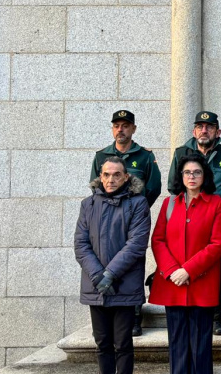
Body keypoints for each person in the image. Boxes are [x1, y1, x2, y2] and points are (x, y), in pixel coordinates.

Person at [167, 111, 221, 336]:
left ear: (217, 132)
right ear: (194, 131)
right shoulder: (182, 153)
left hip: (218, 223)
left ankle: (215, 317)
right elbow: (174, 186)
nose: (204, 130)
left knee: (218, 269)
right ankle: (189, 312)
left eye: (209, 127)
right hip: (188, 222)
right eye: (200, 126)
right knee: (188, 264)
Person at [150, 153, 221, 374]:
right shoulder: (169, 203)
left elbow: (217, 244)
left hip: (201, 284)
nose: (191, 176)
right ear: (180, 176)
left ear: (204, 176)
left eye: (197, 172)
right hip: (172, 283)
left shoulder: (217, 204)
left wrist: (188, 270)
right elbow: (158, 240)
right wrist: (174, 271)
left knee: (201, 345)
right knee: (177, 342)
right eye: (187, 172)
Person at [74, 157, 151, 374]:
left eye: (117, 174)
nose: (111, 179)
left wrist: (111, 274)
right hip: (96, 285)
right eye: (106, 174)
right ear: (100, 176)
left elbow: (136, 244)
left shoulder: (138, 203)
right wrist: (99, 275)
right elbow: (81, 243)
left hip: (124, 285)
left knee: (123, 344)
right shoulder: (88, 205)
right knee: (102, 344)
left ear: (126, 177)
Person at [89, 109, 162, 337]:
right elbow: (95, 186)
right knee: (107, 261)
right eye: (117, 125)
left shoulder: (145, 156)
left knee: (132, 263)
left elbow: (155, 186)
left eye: (125, 125)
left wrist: (135, 209)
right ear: (112, 129)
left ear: (133, 129)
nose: (121, 129)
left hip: (133, 219)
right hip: (107, 220)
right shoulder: (101, 156)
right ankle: (109, 311)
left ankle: (134, 315)